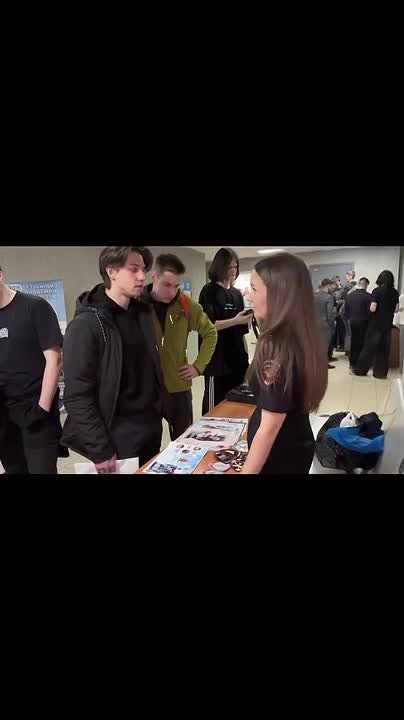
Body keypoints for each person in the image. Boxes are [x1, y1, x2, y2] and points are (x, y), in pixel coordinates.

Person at [61, 246, 164, 472]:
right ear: (111, 272)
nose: (142, 276)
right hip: (117, 434)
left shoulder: (143, 313)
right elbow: (77, 395)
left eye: (143, 270)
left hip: (150, 426)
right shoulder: (86, 325)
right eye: (133, 269)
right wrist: (100, 449)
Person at [241, 253, 328, 474]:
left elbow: (269, 429)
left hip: (279, 454)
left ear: (278, 294)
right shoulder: (300, 334)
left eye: (254, 289)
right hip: (295, 441)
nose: (248, 296)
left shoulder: (277, 344)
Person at [142, 253, 217, 440]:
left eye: (176, 286)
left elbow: (210, 333)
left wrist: (198, 366)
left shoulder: (185, 305)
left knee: (184, 441)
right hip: (146, 390)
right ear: (154, 277)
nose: (172, 292)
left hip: (178, 387)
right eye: (166, 285)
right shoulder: (137, 304)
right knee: (148, 445)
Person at [0, 264, 64, 474]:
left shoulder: (34, 307)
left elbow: (54, 360)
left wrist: (42, 407)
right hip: (4, 417)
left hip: (35, 412)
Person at [198, 248, 250, 414]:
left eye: (235, 267)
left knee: (236, 406)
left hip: (237, 362)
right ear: (220, 267)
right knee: (213, 410)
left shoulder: (236, 294)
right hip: (217, 363)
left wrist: (246, 359)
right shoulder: (209, 291)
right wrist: (235, 320)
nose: (233, 271)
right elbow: (209, 326)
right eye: (229, 267)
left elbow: (242, 334)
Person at [354, 270, 400, 379]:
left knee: (368, 348)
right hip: (387, 325)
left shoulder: (377, 291)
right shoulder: (395, 292)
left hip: (375, 324)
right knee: (384, 350)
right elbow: (396, 309)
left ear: (380, 279)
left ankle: (360, 371)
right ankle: (380, 374)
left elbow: (372, 308)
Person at [344, 277, 371, 370]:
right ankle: (360, 364)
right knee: (362, 343)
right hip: (364, 322)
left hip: (352, 322)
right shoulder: (368, 296)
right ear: (366, 285)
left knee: (353, 342)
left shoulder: (349, 296)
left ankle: (352, 363)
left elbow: (346, 311)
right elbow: (369, 312)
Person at [314, 278, 336, 369]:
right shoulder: (329, 297)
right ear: (328, 286)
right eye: (332, 286)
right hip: (325, 325)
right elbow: (329, 315)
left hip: (314, 324)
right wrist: (333, 327)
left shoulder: (314, 296)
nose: (332, 288)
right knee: (324, 346)